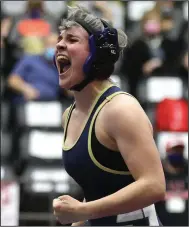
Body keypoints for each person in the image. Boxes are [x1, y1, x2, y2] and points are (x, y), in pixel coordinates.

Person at [52, 5, 165, 226]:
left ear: (96, 55)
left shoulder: (120, 109)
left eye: (72, 40)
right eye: (60, 38)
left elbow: (155, 185)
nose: (59, 44)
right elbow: (103, 187)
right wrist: (80, 218)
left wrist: (83, 211)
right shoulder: (69, 115)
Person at [7, 33, 59, 103]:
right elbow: (12, 80)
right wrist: (26, 89)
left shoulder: (61, 65)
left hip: (53, 105)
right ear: (43, 45)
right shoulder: (29, 60)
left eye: (53, 45)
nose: (51, 47)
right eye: (48, 44)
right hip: (30, 103)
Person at [155, 139, 188, 226]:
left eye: (180, 150)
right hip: (164, 218)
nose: (178, 153)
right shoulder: (159, 170)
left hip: (184, 219)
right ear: (168, 151)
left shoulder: (186, 169)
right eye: (175, 150)